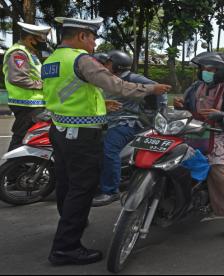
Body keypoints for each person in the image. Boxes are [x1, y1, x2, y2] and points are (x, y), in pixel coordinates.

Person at [43, 17, 171, 266]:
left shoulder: (52, 60)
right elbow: (116, 84)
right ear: (81, 36)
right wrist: (151, 90)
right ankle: (65, 247)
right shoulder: (81, 59)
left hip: (59, 129)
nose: (94, 43)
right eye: (92, 37)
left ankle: (71, 220)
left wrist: (105, 104)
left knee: (66, 183)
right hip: (81, 135)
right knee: (82, 188)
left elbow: (73, 93)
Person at [173, 52, 224, 243]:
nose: (206, 72)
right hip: (191, 133)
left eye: (211, 70)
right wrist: (180, 105)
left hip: (217, 136)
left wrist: (221, 115)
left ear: (221, 72)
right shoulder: (195, 88)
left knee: (220, 176)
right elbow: (187, 107)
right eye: (204, 69)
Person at [92, 50, 168, 206]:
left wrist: (159, 111)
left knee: (109, 150)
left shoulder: (131, 78)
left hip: (126, 122)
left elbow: (158, 89)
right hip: (106, 121)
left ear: (116, 65)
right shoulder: (107, 78)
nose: (104, 65)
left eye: (107, 63)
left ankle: (110, 191)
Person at [2, 22, 51, 151]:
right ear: (30, 39)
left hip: (32, 104)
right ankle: (12, 169)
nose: (43, 42)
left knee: (32, 138)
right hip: (26, 104)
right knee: (21, 139)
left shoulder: (29, 53)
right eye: (41, 39)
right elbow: (17, 78)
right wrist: (42, 85)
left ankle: (24, 167)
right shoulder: (19, 53)